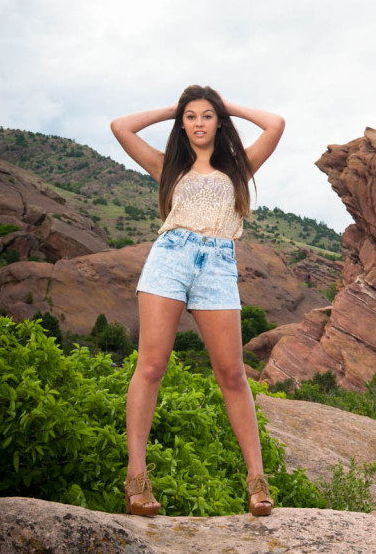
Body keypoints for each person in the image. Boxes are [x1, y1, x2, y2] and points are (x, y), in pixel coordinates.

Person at [110, 85, 285, 517]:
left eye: (207, 116)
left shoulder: (239, 168)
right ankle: (136, 481)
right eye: (191, 116)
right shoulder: (168, 167)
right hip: (169, 259)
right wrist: (172, 108)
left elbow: (275, 124)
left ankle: (257, 482)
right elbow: (120, 126)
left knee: (232, 374)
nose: (199, 123)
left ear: (219, 121)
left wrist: (228, 107)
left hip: (218, 265)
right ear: (182, 123)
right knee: (150, 367)